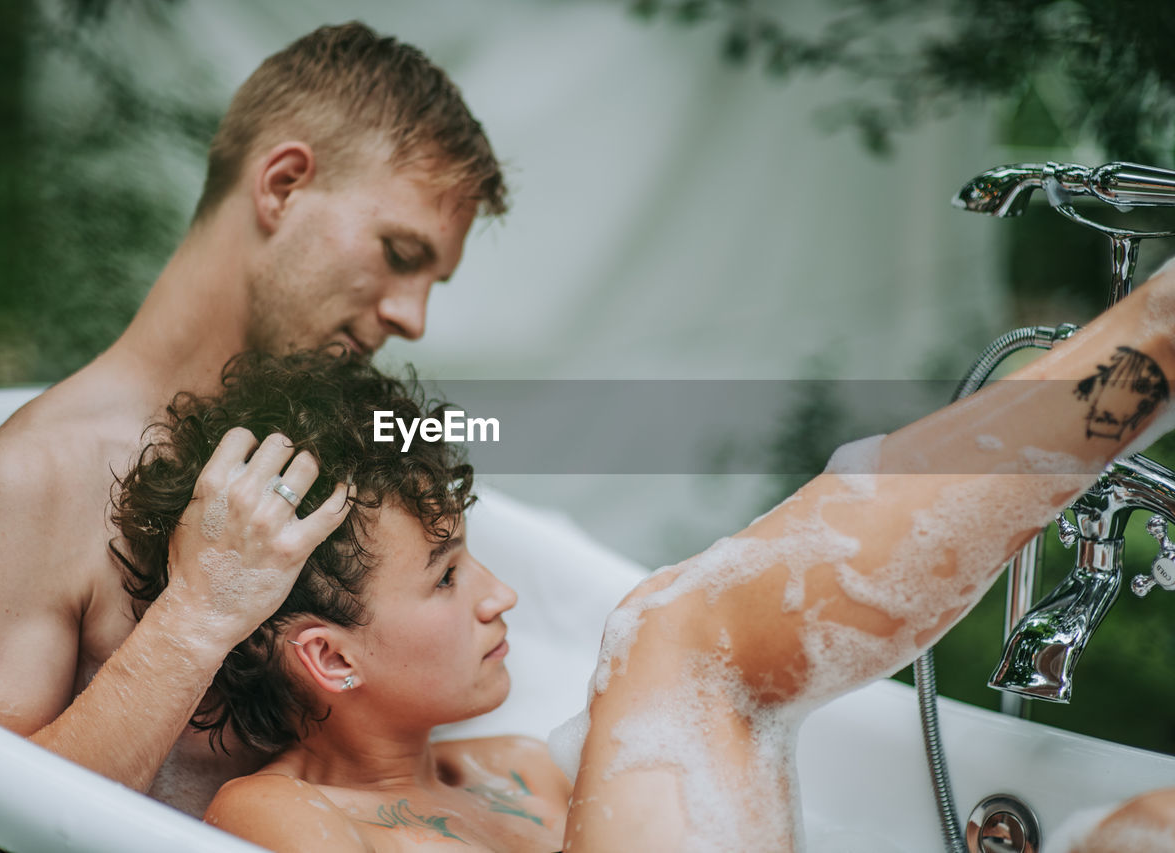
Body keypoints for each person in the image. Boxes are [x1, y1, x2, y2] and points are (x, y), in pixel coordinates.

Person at [121, 265, 1175, 852]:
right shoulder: (271, 817)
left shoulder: (522, 773)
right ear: (331, 659)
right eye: (446, 575)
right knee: (669, 632)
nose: (501, 596)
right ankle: (1152, 343)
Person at [0, 21, 507, 816]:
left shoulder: (354, 452)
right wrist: (194, 616)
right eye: (400, 254)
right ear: (283, 184)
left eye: (433, 279)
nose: (412, 318)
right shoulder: (31, 484)